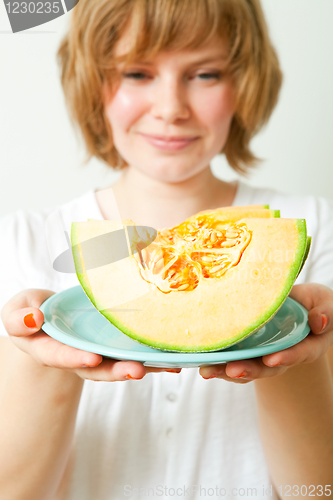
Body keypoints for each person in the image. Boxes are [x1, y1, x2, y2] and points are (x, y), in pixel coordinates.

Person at [0, 0, 333, 498]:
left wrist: (287, 348)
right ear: (93, 82)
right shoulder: (21, 243)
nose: (171, 107)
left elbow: (318, 492)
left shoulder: (318, 232)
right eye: (137, 72)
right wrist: (45, 365)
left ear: (246, 81)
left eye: (204, 74)